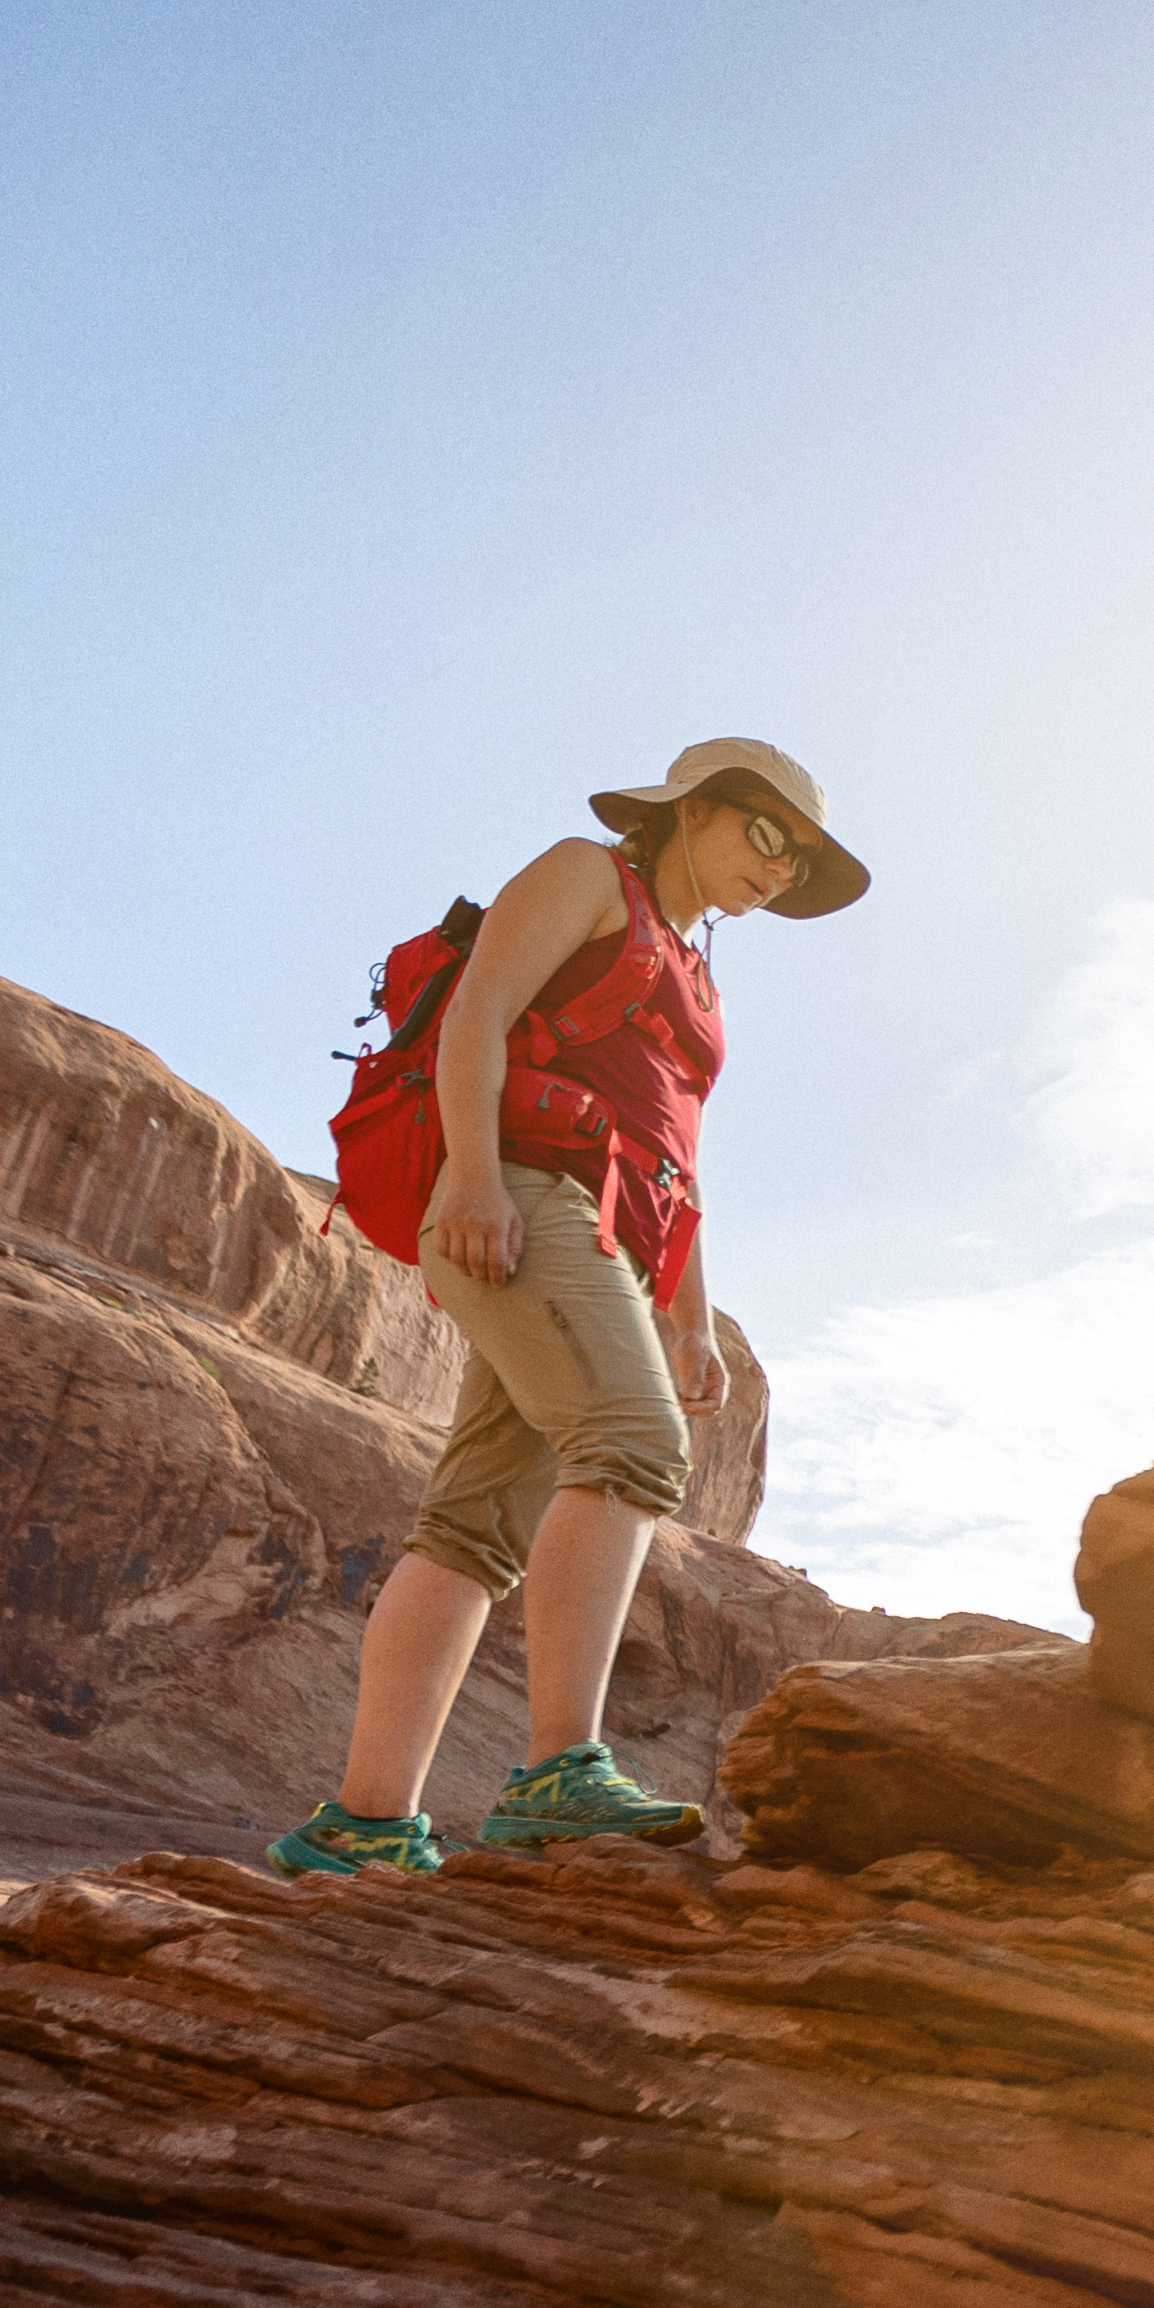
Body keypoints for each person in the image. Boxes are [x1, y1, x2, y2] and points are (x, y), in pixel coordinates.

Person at [271, 737, 868, 1878]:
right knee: (635, 1444)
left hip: (606, 1232)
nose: (781, 869)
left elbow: (674, 1160)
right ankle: (558, 1774)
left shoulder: (693, 969)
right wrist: (477, 1177)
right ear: (692, 810)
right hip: (523, 1198)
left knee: (472, 1530)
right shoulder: (590, 876)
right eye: (768, 835)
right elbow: (479, 1015)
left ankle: (363, 1824)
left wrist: (692, 1316)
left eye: (799, 862)